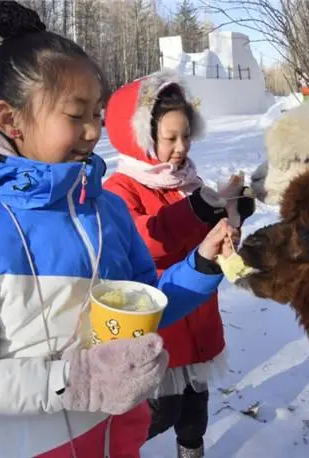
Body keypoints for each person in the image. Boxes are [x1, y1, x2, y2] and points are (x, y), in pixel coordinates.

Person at [0, 2, 236, 457]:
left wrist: (203, 263)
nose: (92, 132)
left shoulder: (106, 211)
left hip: (121, 438)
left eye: (98, 114)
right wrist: (76, 381)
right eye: (76, 114)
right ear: (11, 120)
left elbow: (145, 308)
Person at [104, 71, 255, 458]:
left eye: (186, 135)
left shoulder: (187, 181)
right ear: (141, 138)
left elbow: (200, 240)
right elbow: (147, 238)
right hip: (164, 321)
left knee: (195, 409)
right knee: (161, 410)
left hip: (199, 316)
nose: (181, 147)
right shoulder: (120, 189)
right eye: (170, 138)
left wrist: (232, 220)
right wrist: (202, 208)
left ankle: (192, 451)